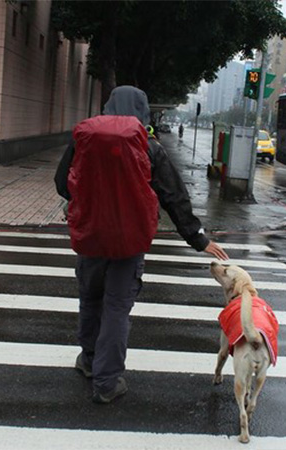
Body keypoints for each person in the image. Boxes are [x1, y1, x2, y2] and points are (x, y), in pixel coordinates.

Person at [55, 85, 229, 404]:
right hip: (129, 242)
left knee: (90, 300)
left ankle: (90, 362)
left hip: (90, 238)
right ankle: (107, 382)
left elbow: (61, 183)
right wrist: (197, 238)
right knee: (117, 308)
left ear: (108, 105)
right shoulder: (149, 147)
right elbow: (174, 196)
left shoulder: (84, 138)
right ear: (143, 111)